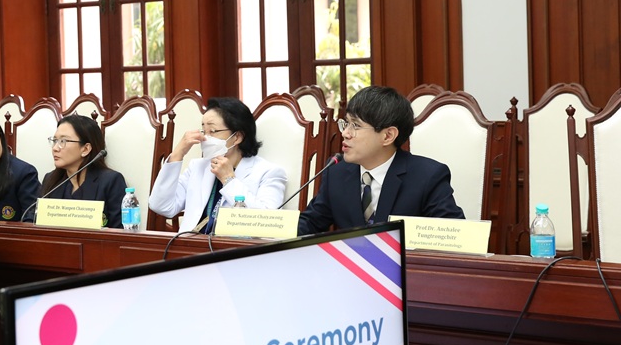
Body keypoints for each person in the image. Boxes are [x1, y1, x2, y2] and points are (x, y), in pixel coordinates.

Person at [297, 85, 465, 235]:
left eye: (355, 125)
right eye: (346, 123)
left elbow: (455, 236)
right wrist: (275, 227)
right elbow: (309, 223)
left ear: (388, 136)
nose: (345, 133)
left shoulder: (427, 177)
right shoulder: (336, 173)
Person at [149, 96, 287, 233]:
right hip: (190, 248)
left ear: (237, 137)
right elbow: (161, 205)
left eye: (213, 131)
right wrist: (177, 155)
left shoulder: (269, 173)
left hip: (234, 251)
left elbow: (269, 225)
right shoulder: (198, 167)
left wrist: (229, 180)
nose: (205, 138)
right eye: (204, 131)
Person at [39, 114, 127, 229]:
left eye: (63, 141)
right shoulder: (51, 180)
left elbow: (120, 231)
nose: (55, 148)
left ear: (85, 149)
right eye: (55, 140)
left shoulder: (111, 181)